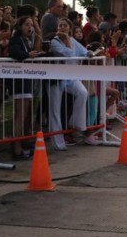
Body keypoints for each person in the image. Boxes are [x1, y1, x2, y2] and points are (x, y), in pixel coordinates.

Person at [48, 17, 100, 150]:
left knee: (83, 92)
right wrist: (65, 40)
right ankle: (58, 143)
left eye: (65, 26)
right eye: (60, 26)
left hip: (71, 78)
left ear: (69, 28)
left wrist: (90, 53)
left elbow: (84, 52)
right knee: (55, 110)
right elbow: (69, 54)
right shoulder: (55, 42)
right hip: (56, 78)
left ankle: (76, 122)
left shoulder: (73, 40)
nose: (62, 28)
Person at [7, 15, 46, 160]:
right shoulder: (16, 40)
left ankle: (22, 144)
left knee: (25, 114)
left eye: (31, 25)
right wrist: (28, 55)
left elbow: (32, 50)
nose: (30, 27)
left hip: (26, 79)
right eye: (26, 25)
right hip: (18, 81)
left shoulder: (27, 40)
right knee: (20, 115)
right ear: (20, 27)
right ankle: (16, 148)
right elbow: (15, 52)